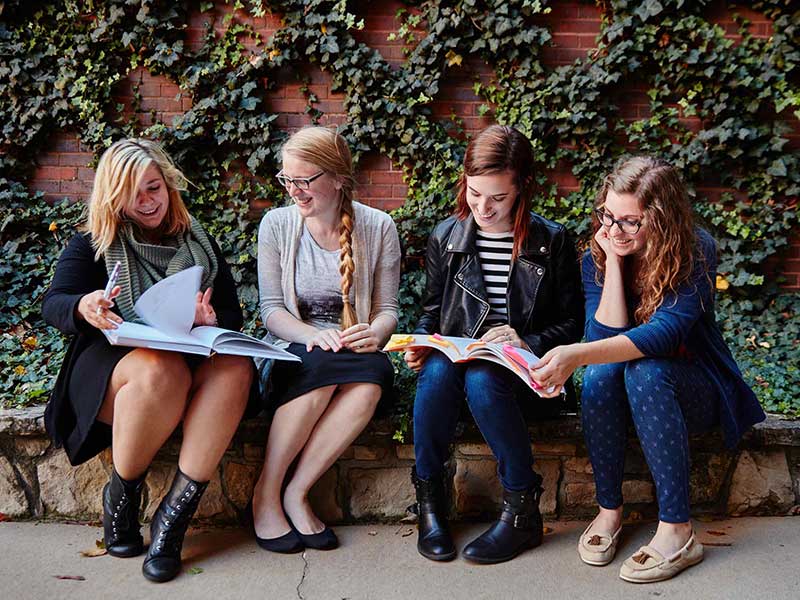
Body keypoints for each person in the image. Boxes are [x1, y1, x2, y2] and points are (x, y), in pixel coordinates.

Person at [529, 156, 766, 583]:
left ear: (662, 218)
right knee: (602, 373)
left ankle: (678, 531)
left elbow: (664, 335)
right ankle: (609, 512)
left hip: (693, 384)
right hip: (630, 385)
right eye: (608, 216)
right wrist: (615, 264)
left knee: (644, 370)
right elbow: (602, 333)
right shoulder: (598, 256)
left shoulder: (694, 251)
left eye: (630, 222)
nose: (614, 230)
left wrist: (576, 355)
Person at [42, 139, 253, 583]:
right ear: (114, 197)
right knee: (162, 366)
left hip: (190, 355)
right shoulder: (94, 243)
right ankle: (123, 496)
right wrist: (85, 305)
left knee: (236, 366)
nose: (147, 202)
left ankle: (171, 521)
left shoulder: (200, 242)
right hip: (115, 369)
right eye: (134, 194)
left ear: (168, 185)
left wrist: (207, 317)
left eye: (154, 188)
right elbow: (54, 303)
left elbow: (231, 316)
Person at [403, 125, 584, 564]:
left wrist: (527, 339)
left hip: (526, 376)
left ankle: (522, 513)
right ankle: (431, 504)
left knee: (484, 379)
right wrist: (421, 341)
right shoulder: (447, 238)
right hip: (457, 367)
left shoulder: (551, 240)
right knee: (438, 370)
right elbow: (432, 310)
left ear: (521, 188)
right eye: (474, 192)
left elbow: (573, 323)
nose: (482, 207)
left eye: (497, 198)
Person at [251, 126, 401, 553]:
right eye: (287, 180)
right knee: (320, 368)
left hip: (355, 348)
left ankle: (296, 492)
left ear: (337, 178)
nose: (294, 191)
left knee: (371, 378)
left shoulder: (378, 227)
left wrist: (375, 333)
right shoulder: (276, 225)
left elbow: (387, 309)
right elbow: (272, 311)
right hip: (294, 343)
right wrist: (315, 336)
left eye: (304, 180)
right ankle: (266, 491)